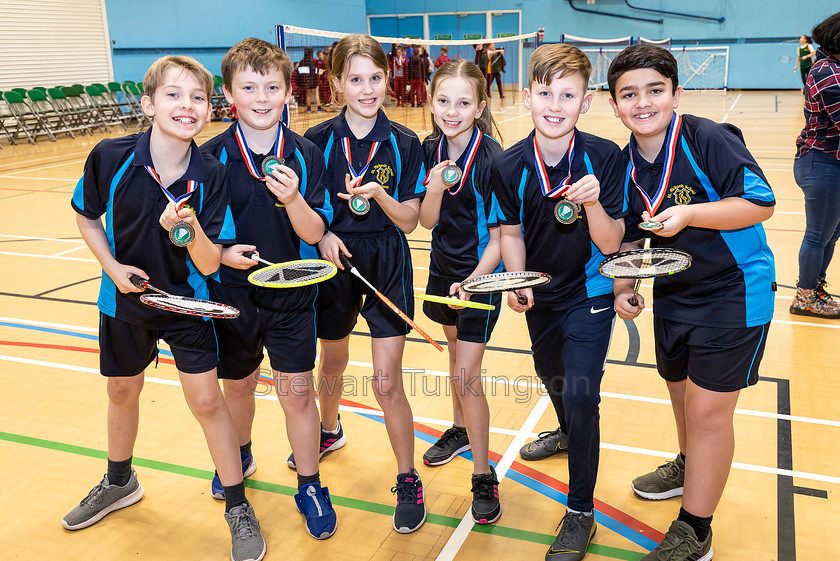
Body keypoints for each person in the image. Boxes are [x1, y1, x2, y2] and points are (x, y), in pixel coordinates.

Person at [65, 55, 266, 561]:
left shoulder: (211, 174)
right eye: (174, 95)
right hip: (124, 301)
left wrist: (189, 227)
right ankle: (119, 482)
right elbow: (86, 217)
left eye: (198, 97)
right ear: (148, 103)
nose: (188, 106)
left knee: (207, 403)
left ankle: (238, 506)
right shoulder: (110, 157)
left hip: (188, 302)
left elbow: (209, 259)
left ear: (208, 109)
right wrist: (112, 268)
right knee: (122, 392)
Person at [607, 44, 776, 560]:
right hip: (676, 291)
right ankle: (689, 464)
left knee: (707, 413)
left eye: (655, 91)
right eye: (629, 94)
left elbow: (760, 203)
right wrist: (624, 284)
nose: (643, 102)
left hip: (734, 290)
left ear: (676, 94)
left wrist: (689, 216)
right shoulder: (623, 160)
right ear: (614, 104)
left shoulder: (708, 138)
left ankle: (695, 529)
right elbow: (634, 234)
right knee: (681, 396)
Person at [493, 43, 626, 561]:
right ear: (527, 97)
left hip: (590, 291)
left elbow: (613, 242)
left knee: (582, 392)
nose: (555, 104)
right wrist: (516, 277)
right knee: (553, 375)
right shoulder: (508, 165)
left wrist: (592, 202)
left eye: (567, 94)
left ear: (585, 102)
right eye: (545, 92)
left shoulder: (605, 157)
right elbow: (509, 230)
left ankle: (579, 511)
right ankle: (568, 431)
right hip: (542, 293)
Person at [200, 37, 337, 540]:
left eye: (272, 87)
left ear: (288, 93)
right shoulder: (209, 157)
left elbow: (316, 233)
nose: (261, 97)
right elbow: (201, 240)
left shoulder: (305, 153)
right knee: (237, 386)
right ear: (230, 95)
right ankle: (239, 453)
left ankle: (310, 484)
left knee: (297, 393)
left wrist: (296, 198)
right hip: (232, 297)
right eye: (249, 87)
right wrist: (221, 256)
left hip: (293, 296)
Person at [302, 34, 427, 534]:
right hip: (332, 262)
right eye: (355, 79)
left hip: (385, 262)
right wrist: (325, 233)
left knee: (385, 381)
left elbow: (412, 220)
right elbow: (306, 211)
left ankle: (407, 476)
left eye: (375, 78)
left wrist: (380, 195)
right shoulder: (314, 141)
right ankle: (329, 430)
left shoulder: (405, 142)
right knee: (330, 360)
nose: (367, 88)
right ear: (337, 83)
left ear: (387, 79)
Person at [417, 59, 504, 524]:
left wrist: (475, 280)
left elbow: (501, 238)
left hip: (480, 277)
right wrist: (432, 187)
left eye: (463, 102)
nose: (452, 111)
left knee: (468, 373)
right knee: (453, 355)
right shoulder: (427, 148)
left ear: (480, 106)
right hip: (440, 271)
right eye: (443, 101)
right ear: (431, 103)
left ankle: (484, 475)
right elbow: (427, 221)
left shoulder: (493, 160)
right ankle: (460, 429)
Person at [792, 12, 840, 319]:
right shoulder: (829, 74)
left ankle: (815, 287)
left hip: (830, 162)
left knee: (831, 233)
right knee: (818, 234)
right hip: (821, 162)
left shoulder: (833, 66)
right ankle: (805, 296)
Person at [298, 46, 322, 112]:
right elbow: (318, 70)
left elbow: (300, 72)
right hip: (315, 79)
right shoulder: (315, 60)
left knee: (308, 93)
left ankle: (309, 108)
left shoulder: (302, 61)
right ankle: (319, 107)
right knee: (316, 93)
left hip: (307, 81)